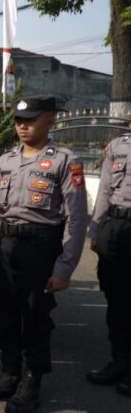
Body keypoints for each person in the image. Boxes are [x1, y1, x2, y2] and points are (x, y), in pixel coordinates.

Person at [0, 95, 89, 412]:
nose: (22, 126)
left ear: (50, 119)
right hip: (7, 248)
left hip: (40, 249)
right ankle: (10, 375)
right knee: (7, 316)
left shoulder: (66, 161)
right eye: (18, 120)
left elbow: (77, 219)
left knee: (35, 319)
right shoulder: (6, 160)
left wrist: (64, 268)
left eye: (30, 119)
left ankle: (31, 382)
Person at [86, 126, 131, 396]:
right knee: (116, 299)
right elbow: (104, 188)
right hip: (115, 225)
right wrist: (95, 230)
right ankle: (119, 360)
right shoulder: (118, 146)